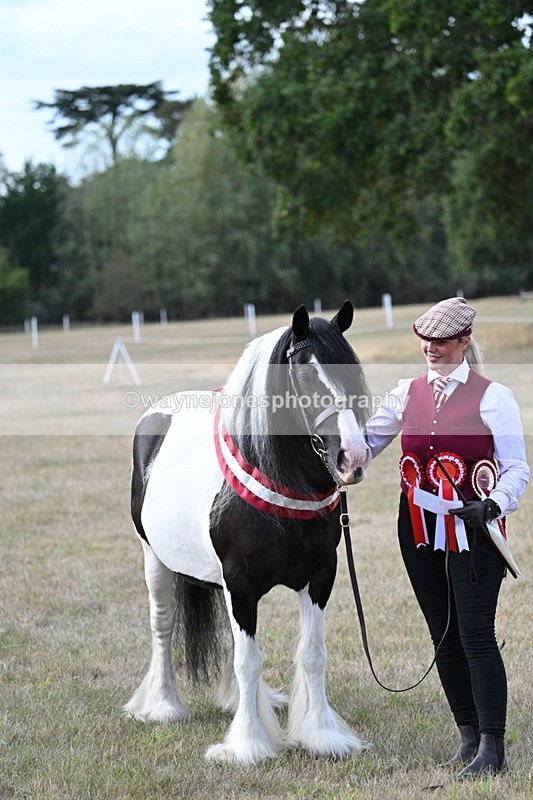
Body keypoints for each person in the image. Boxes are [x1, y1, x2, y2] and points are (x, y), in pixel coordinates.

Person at [364, 296, 529, 779]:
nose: (431, 348)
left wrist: (493, 505)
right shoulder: (404, 392)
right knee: (443, 634)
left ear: (464, 340)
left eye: (441, 341)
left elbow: (517, 468)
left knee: (475, 632)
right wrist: (332, 450)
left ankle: (493, 748)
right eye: (425, 340)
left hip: (474, 526)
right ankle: (467, 737)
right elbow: (366, 445)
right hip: (416, 527)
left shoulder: (493, 397)